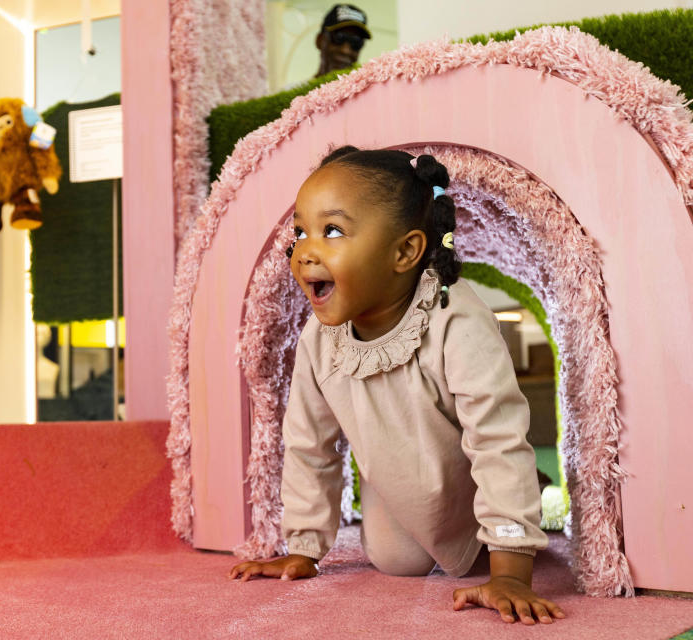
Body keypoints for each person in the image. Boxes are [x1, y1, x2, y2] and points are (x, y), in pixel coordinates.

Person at [228, 147, 566, 626]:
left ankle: (523, 496)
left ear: (404, 252)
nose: (304, 250)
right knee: (396, 561)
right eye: (301, 231)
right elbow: (310, 446)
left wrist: (511, 568)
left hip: (470, 477)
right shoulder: (319, 339)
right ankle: (443, 521)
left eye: (332, 231)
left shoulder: (455, 319)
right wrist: (303, 548)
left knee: (490, 539)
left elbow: (497, 438)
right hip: (404, 485)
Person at [314, 4, 371, 78]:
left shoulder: (372, 88)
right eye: (339, 37)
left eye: (356, 42)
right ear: (319, 40)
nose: (345, 50)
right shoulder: (296, 88)